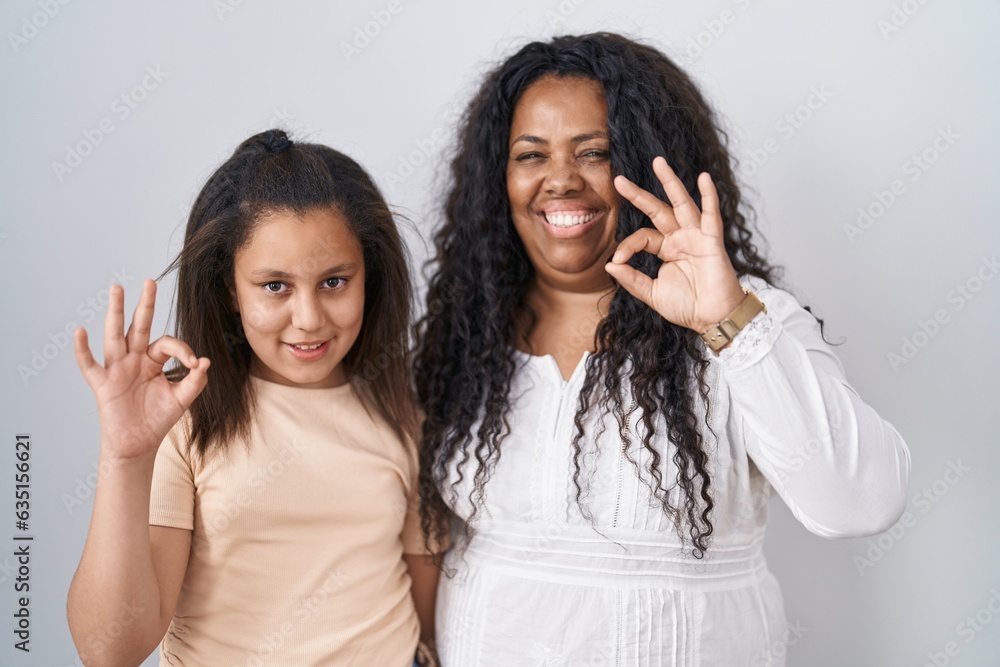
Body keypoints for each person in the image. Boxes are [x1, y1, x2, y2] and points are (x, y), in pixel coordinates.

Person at [414, 33, 911, 665]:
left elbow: (858, 502)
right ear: (499, 177)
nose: (560, 180)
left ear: (650, 165)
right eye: (530, 154)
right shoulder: (465, 334)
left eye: (595, 152)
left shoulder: (741, 316)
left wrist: (725, 319)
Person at [67, 130, 439, 667]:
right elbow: (110, 651)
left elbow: (430, 626)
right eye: (275, 286)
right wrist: (125, 458)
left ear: (370, 277)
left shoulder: (406, 416)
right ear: (228, 289)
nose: (309, 318)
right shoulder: (182, 419)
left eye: (334, 281)